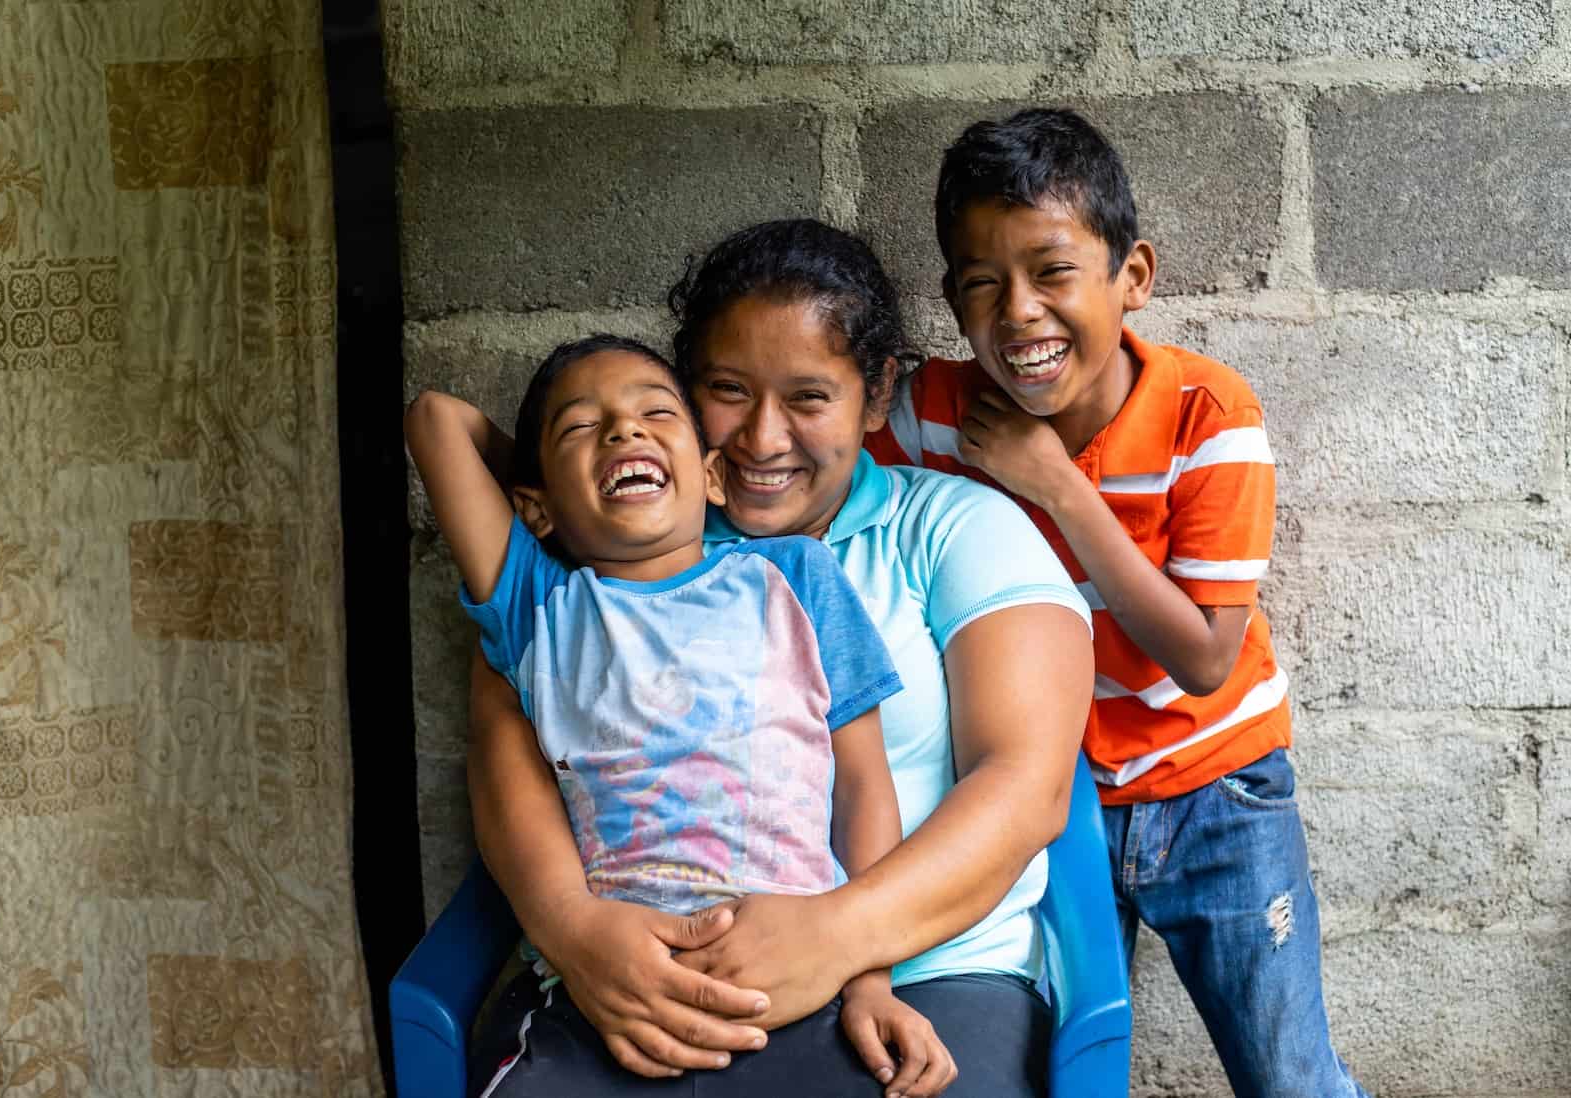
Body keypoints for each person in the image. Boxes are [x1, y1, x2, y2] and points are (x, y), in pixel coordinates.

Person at [465, 220, 1095, 1097]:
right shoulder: (628, 546)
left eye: (808, 398)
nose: (762, 439)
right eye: (727, 390)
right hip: (639, 981)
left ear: (877, 396)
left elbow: (1025, 786)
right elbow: (507, 751)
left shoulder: (956, 531)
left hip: (925, 977)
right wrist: (575, 936)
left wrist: (841, 940)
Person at [867, 106, 1369, 1097]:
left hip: (1216, 793)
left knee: (1286, 1072)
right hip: (1053, 805)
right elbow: (805, 442)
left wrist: (1053, 482)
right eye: (982, 284)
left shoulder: (1206, 417)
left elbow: (1202, 658)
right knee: (1066, 1055)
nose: (1018, 313)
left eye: (1052, 273)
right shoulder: (932, 412)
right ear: (953, 302)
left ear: (1130, 276)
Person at [404, 333, 954, 1095]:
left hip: (796, 983)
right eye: (582, 427)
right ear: (530, 505)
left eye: (654, 414)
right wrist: (543, 495)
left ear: (712, 475)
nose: (623, 431)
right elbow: (436, 420)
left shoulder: (794, 575)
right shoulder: (538, 605)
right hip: (610, 995)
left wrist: (869, 980)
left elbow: (862, 785)